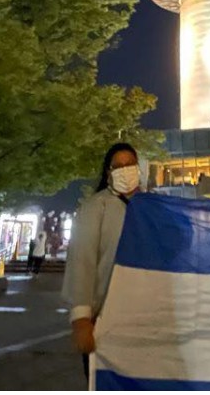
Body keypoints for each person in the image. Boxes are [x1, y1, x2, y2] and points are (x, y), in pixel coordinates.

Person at [64, 143, 143, 379]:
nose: (124, 170)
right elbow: (82, 261)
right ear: (108, 173)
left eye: (129, 164)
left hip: (142, 316)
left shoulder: (150, 206)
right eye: (117, 166)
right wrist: (81, 319)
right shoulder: (95, 207)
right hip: (104, 318)